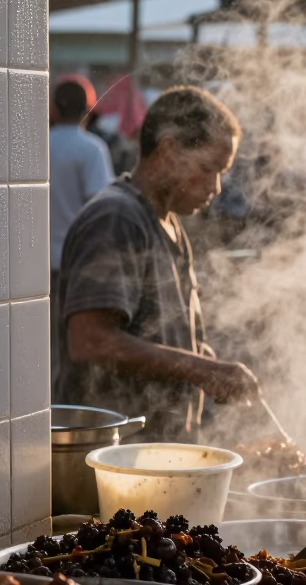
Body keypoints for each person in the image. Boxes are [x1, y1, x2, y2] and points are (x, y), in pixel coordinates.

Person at [55, 85, 261, 441]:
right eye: (209, 168)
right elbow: (90, 340)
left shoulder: (169, 224)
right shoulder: (116, 217)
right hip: (113, 457)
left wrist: (214, 368)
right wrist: (202, 369)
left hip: (156, 457)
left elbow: (162, 334)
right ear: (167, 150)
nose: (216, 188)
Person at [49, 77, 114, 390]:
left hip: (37, 266)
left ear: (54, 107)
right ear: (90, 108)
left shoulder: (38, 145)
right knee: (71, 353)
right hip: (76, 268)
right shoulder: (92, 150)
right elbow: (102, 209)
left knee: (43, 348)